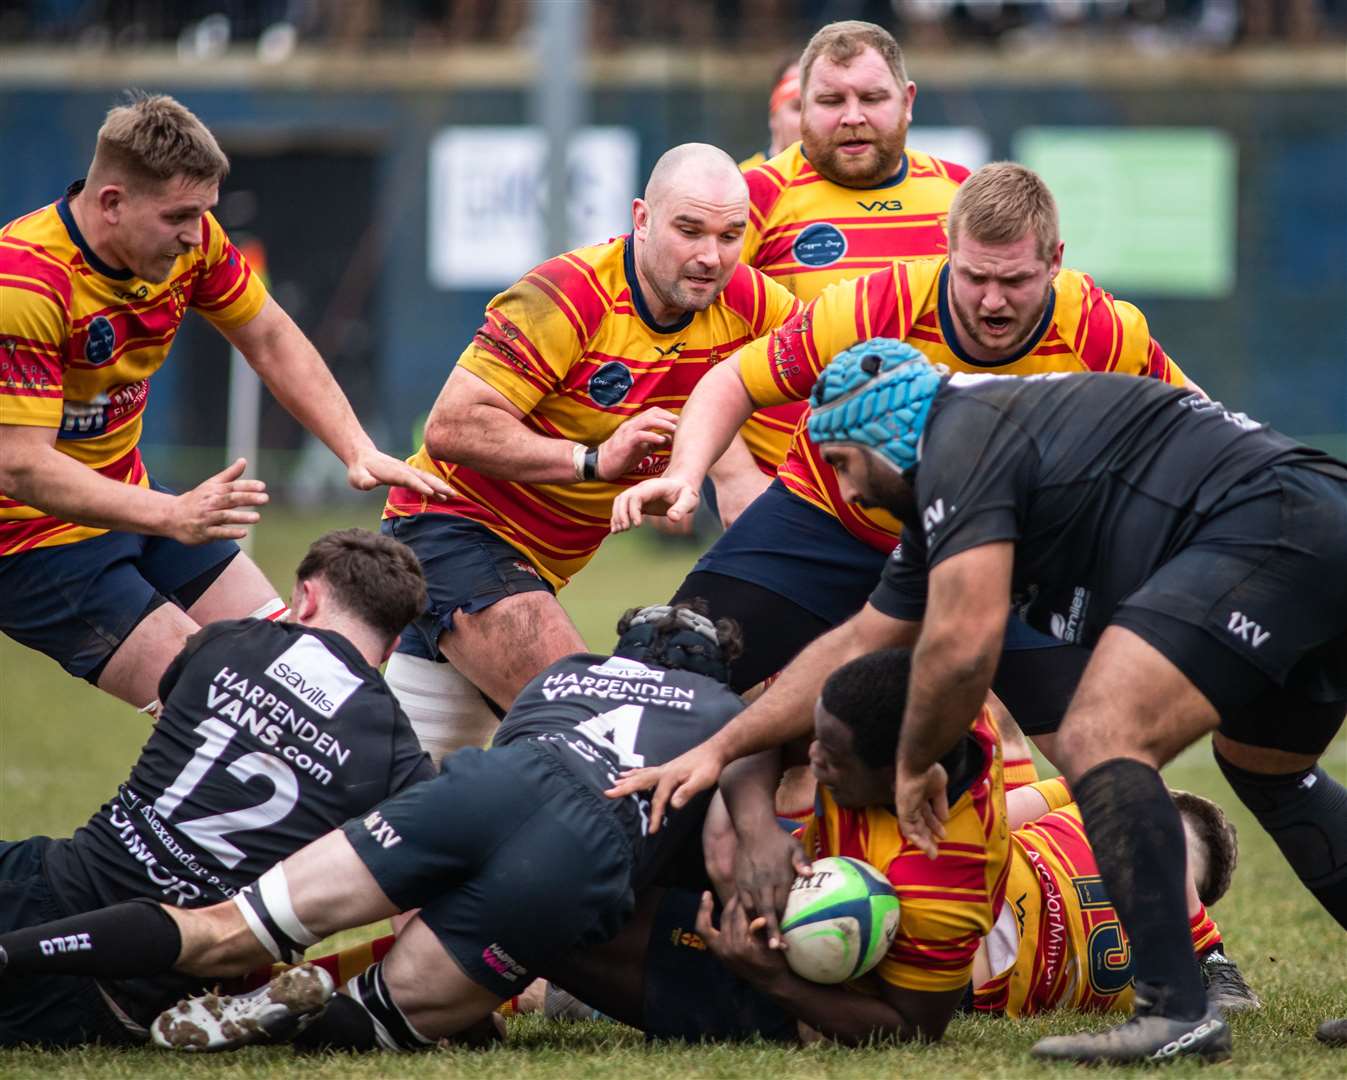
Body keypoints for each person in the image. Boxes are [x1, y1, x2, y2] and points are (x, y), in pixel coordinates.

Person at [662, 343, 1347, 1062]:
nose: (846, 492)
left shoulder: (959, 446)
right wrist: (722, 745)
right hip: (1312, 517)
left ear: (881, 434)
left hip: (1266, 527)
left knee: (1100, 736)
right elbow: (857, 641)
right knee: (1269, 770)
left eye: (839, 461)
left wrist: (914, 762)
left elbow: (963, 649)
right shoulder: (960, 471)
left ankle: (1178, 1011)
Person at [0, 603, 761, 1053]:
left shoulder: (563, 675)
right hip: (578, 848)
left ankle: (12, 953)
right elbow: (716, 853)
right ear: (713, 673)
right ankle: (301, 1013)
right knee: (375, 1020)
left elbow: (512, 766)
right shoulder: (726, 717)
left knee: (225, 928)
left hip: (483, 788)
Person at [613, 162, 1189, 736]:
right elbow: (732, 380)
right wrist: (687, 475)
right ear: (948, 251)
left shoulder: (1100, 330)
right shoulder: (880, 303)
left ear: (1055, 262)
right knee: (662, 683)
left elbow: (1203, 434)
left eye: (1014, 281)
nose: (993, 302)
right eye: (974, 277)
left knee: (1101, 744)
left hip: (995, 553)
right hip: (827, 524)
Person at [0, 93, 448, 715]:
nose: (195, 235)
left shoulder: (196, 241)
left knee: (304, 676)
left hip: (142, 502)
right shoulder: (23, 283)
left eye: (203, 213)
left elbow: (268, 335)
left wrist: (357, 449)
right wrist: (170, 515)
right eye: (179, 216)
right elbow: (20, 466)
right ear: (111, 203)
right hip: (32, 542)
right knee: (240, 712)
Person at [378, 143, 801, 762]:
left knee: (407, 781)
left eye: (730, 235)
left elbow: (830, 368)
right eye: (689, 230)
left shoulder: (750, 302)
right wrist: (592, 460)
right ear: (642, 218)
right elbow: (451, 426)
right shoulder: (569, 294)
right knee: (602, 735)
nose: (711, 256)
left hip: (535, 570)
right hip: (449, 530)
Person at [0, 527, 434, 1046]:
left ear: (307, 596)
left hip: (54, 885)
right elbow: (419, 906)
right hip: (144, 997)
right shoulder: (399, 756)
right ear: (394, 642)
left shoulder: (223, 643)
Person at [717, 20, 971, 542]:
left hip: (944, 497)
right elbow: (683, 347)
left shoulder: (961, 193)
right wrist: (735, 477)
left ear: (907, 100)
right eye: (831, 100)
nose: (852, 117)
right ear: (802, 105)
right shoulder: (753, 198)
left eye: (872, 98)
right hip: (796, 500)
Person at [736, 58, 801, 173]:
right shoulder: (744, 181)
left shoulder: (837, 181)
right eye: (798, 107)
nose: (809, 119)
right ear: (774, 116)